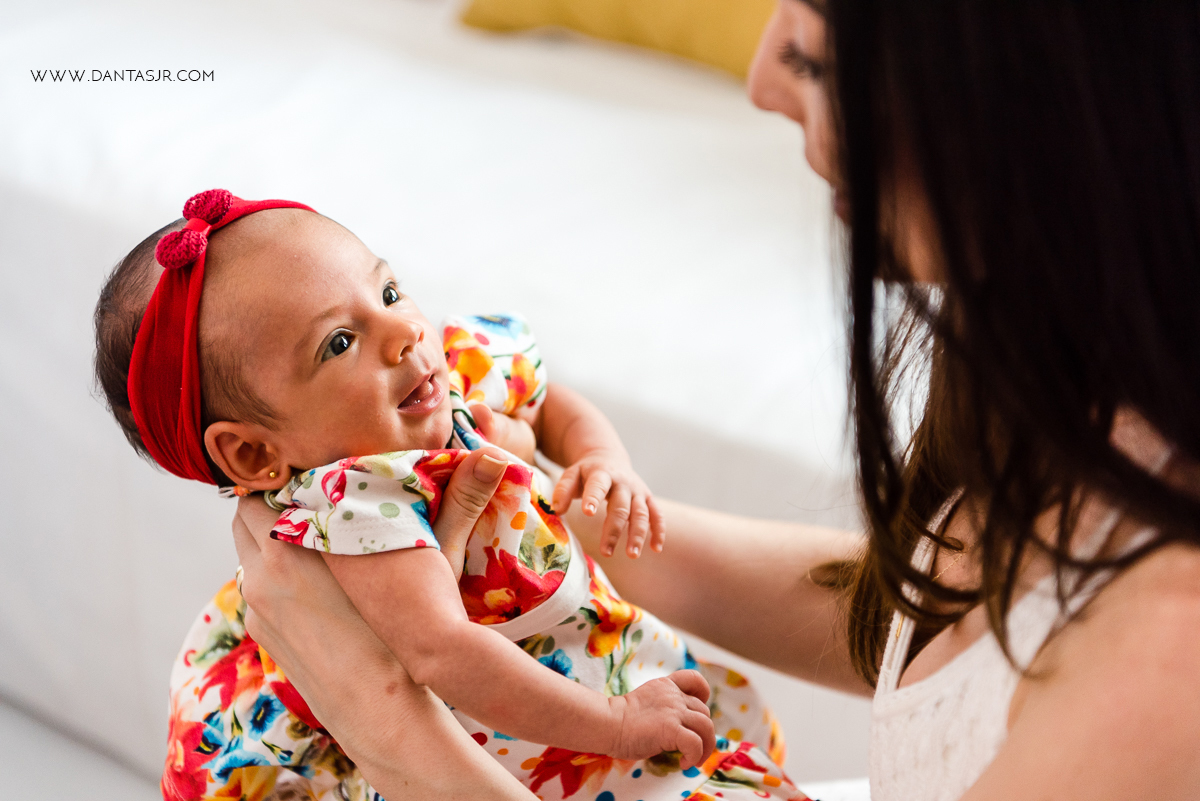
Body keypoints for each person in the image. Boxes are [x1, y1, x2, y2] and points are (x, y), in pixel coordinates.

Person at [233, 1, 1200, 800]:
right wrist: (568, 523)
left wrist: (385, 721)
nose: (763, 81)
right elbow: (932, 609)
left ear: (1034, 92)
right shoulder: (1073, 350)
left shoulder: (1165, 656)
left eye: (818, 55)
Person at [93, 191, 800, 800]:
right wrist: (616, 723)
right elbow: (445, 655)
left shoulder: (447, 371)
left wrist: (600, 458)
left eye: (388, 293)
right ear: (254, 453)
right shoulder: (357, 508)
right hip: (535, 751)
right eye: (339, 343)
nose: (405, 334)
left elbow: (544, 400)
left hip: (602, 668)